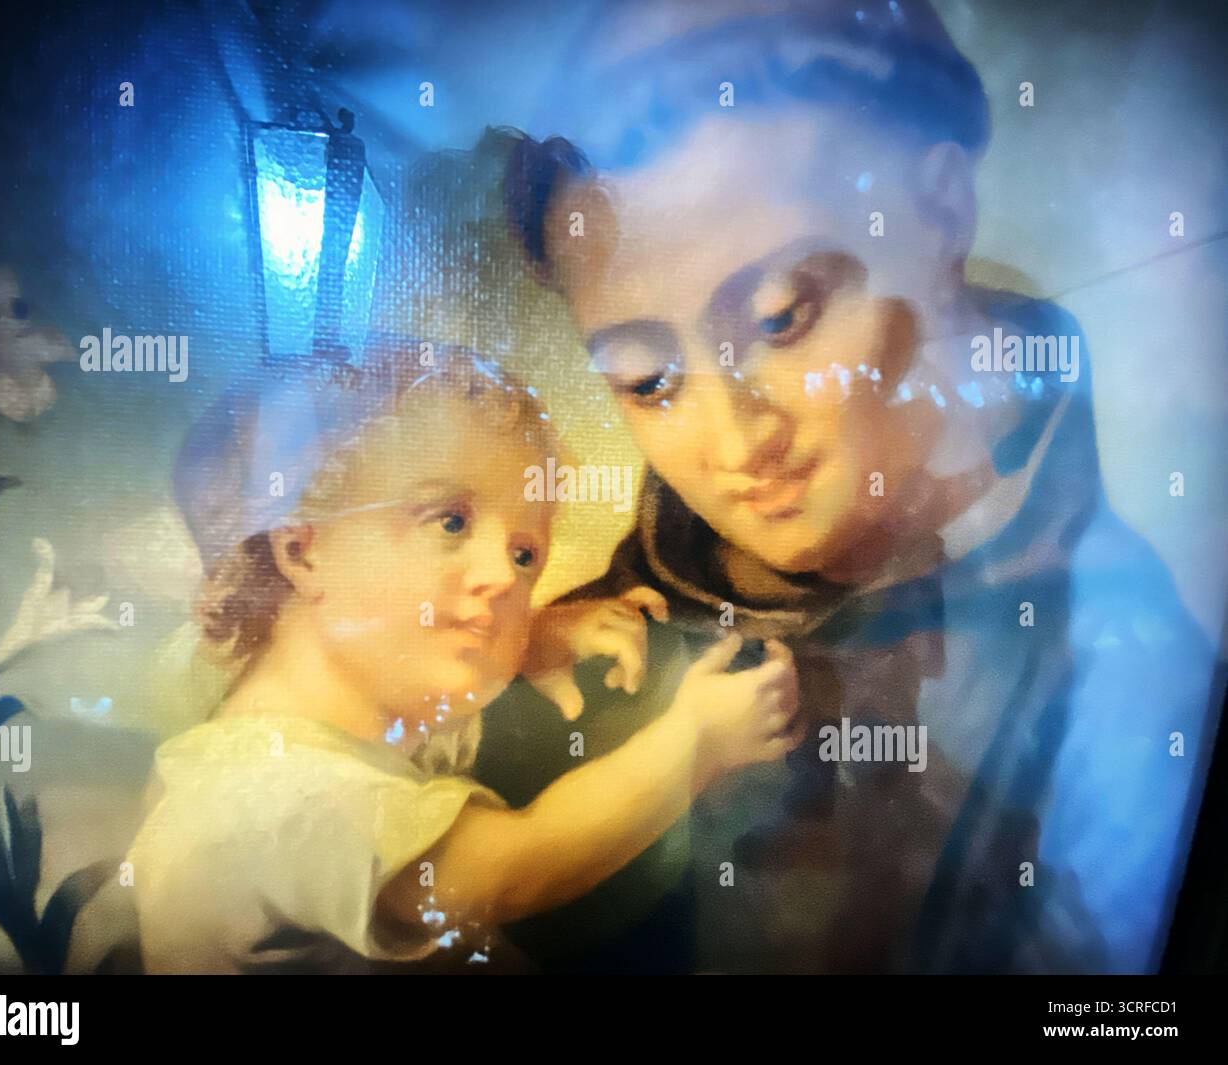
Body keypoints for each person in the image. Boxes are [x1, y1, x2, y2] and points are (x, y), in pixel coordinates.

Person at [475, 0, 1218, 972]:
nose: (736, 437)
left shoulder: (1113, 672)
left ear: (940, 211)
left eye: (782, 321)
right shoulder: (567, 655)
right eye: (649, 382)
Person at [126, 336, 801, 972]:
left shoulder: (294, 729)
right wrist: (698, 740)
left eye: (524, 554)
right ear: (304, 549)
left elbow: (391, 643)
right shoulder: (277, 794)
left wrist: (531, 634)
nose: (507, 578)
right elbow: (514, 871)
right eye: (450, 520)